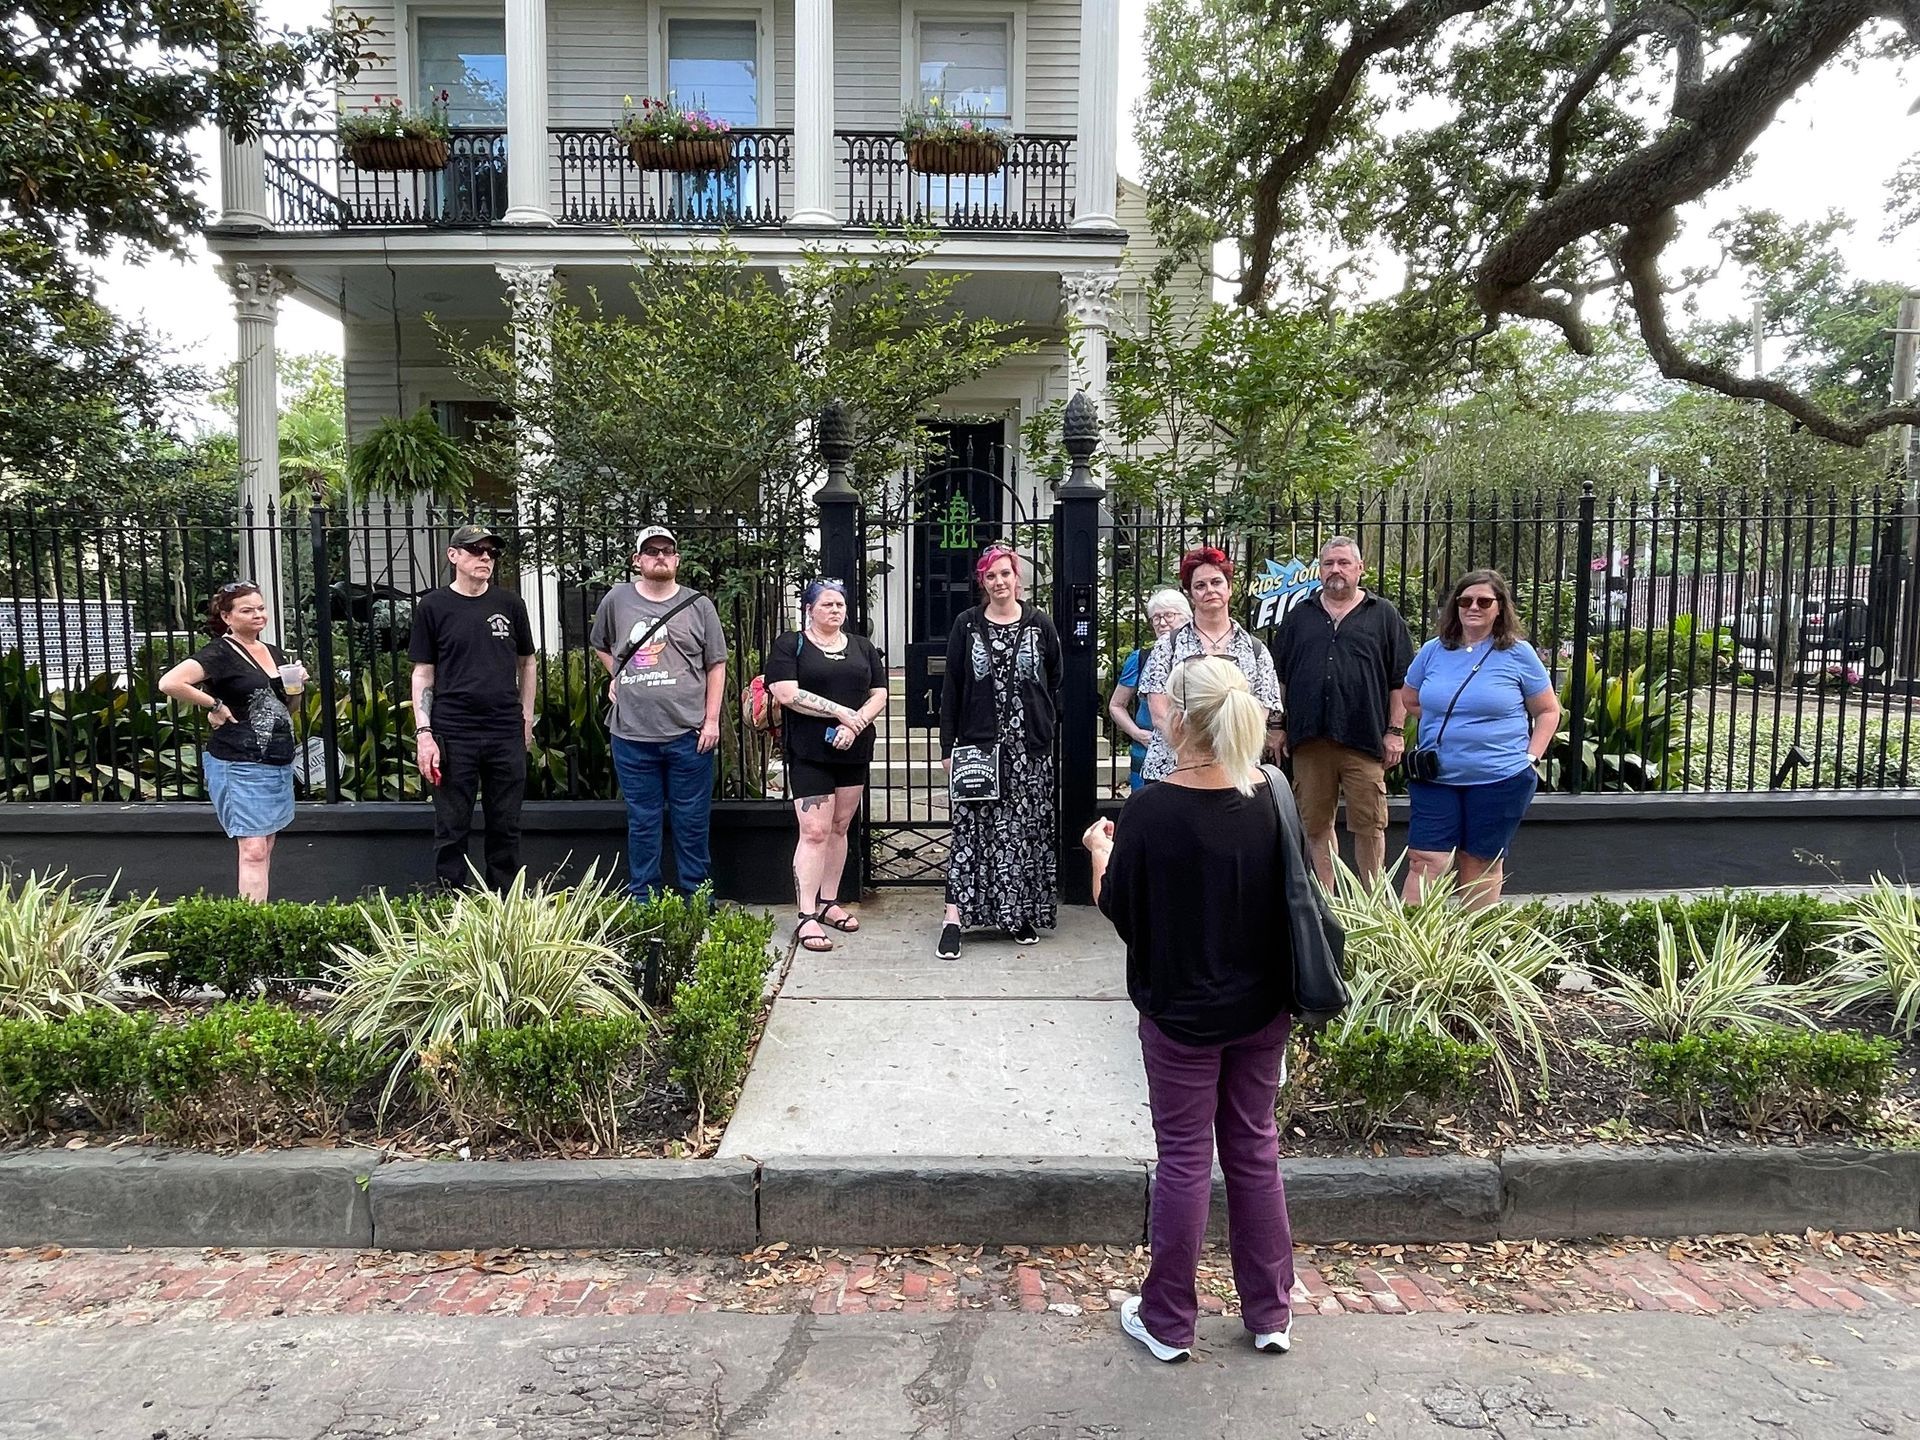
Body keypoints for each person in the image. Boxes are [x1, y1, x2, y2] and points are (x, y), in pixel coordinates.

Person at [1083, 657, 1297, 1365]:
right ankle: (1269, 1311)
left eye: (1165, 703)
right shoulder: (1271, 793)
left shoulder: (1151, 808)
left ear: (1177, 718)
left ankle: (1170, 1319)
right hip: (1262, 1007)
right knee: (1253, 1149)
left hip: (1180, 1013)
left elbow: (1121, 909)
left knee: (1183, 1160)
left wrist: (1097, 854)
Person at [1397, 568, 1561, 909]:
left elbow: (1547, 711)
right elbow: (1410, 699)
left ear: (1499, 607)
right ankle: (1409, 944)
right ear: (1455, 606)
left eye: (1484, 601)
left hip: (1499, 779)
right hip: (1435, 776)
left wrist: (1530, 759)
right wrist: (1451, 725)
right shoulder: (1433, 651)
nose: (1474, 607)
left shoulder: (1519, 654)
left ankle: (1473, 947)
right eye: (1465, 600)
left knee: (1479, 863)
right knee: (1426, 860)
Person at [935, 543, 1063, 961]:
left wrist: (1041, 723)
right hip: (978, 743)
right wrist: (946, 746)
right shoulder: (966, 625)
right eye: (991, 576)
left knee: (1021, 833)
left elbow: (1054, 677)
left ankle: (1015, 914)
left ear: (1017, 578)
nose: (999, 582)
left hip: (1029, 749)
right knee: (971, 832)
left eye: (1005, 574)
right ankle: (954, 917)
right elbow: (952, 686)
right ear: (983, 583)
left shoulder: (1040, 624)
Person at [590, 525, 728, 899]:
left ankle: (697, 897)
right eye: (652, 551)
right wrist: (616, 673)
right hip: (632, 736)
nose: (660, 557)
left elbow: (717, 664)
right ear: (637, 560)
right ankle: (644, 900)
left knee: (692, 821)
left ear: (678, 560)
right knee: (643, 822)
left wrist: (711, 720)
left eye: (667, 551)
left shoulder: (699, 605)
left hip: (689, 734)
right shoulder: (616, 600)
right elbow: (600, 643)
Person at [1268, 536, 1415, 888]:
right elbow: (1279, 678)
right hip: (1310, 739)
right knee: (1315, 825)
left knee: (1370, 824)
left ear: (1360, 569)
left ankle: (1371, 900)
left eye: (1344, 563)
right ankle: (1328, 904)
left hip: (1364, 738)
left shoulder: (1384, 616)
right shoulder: (1299, 616)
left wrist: (1395, 731)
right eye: (1329, 563)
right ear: (1320, 569)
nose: (1336, 570)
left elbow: (1402, 681)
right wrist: (1276, 724)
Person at [409, 523, 537, 891]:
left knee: (506, 825)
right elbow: (423, 673)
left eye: (492, 552)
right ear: (454, 555)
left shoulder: (509, 604)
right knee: (451, 826)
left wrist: (526, 716)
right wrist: (424, 732)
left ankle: (508, 906)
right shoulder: (433, 606)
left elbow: (527, 662)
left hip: (503, 729)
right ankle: (450, 904)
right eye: (476, 550)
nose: (485, 558)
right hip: (453, 730)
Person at [159, 582, 304, 902]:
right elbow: (170, 682)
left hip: (277, 762)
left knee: (265, 846)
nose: (258, 615)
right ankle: (251, 925)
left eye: (261, 608)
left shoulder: (274, 652)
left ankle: (259, 916)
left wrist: (297, 687)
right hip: (238, 761)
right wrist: (214, 705)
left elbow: (287, 708)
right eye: (247, 610)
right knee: (252, 849)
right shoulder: (220, 652)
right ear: (226, 616)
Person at [766, 578, 888, 953]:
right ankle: (806, 916)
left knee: (839, 828)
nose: (834, 611)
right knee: (815, 831)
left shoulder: (862, 647)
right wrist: (841, 713)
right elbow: (786, 693)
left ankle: (829, 902)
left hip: (853, 748)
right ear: (810, 609)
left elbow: (880, 692)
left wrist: (857, 724)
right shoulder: (792, 644)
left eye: (839, 605)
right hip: (809, 751)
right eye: (826, 605)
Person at [1137, 546, 1282, 783]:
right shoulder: (1168, 646)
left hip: (1234, 770)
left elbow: (1260, 711)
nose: (1210, 590)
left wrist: (1225, 748)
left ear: (1230, 588)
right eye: (1200, 586)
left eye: (1216, 582)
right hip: (1172, 769)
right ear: (1191, 594)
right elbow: (1158, 710)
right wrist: (1192, 751)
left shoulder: (1255, 650)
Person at [1107, 588, 1191, 793]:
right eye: (1156, 617)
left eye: (1169, 615)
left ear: (1187, 617)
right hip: (1146, 756)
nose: (1162, 623)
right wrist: (1137, 734)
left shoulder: (1200, 657)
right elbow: (1116, 705)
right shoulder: (1141, 658)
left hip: (1190, 754)